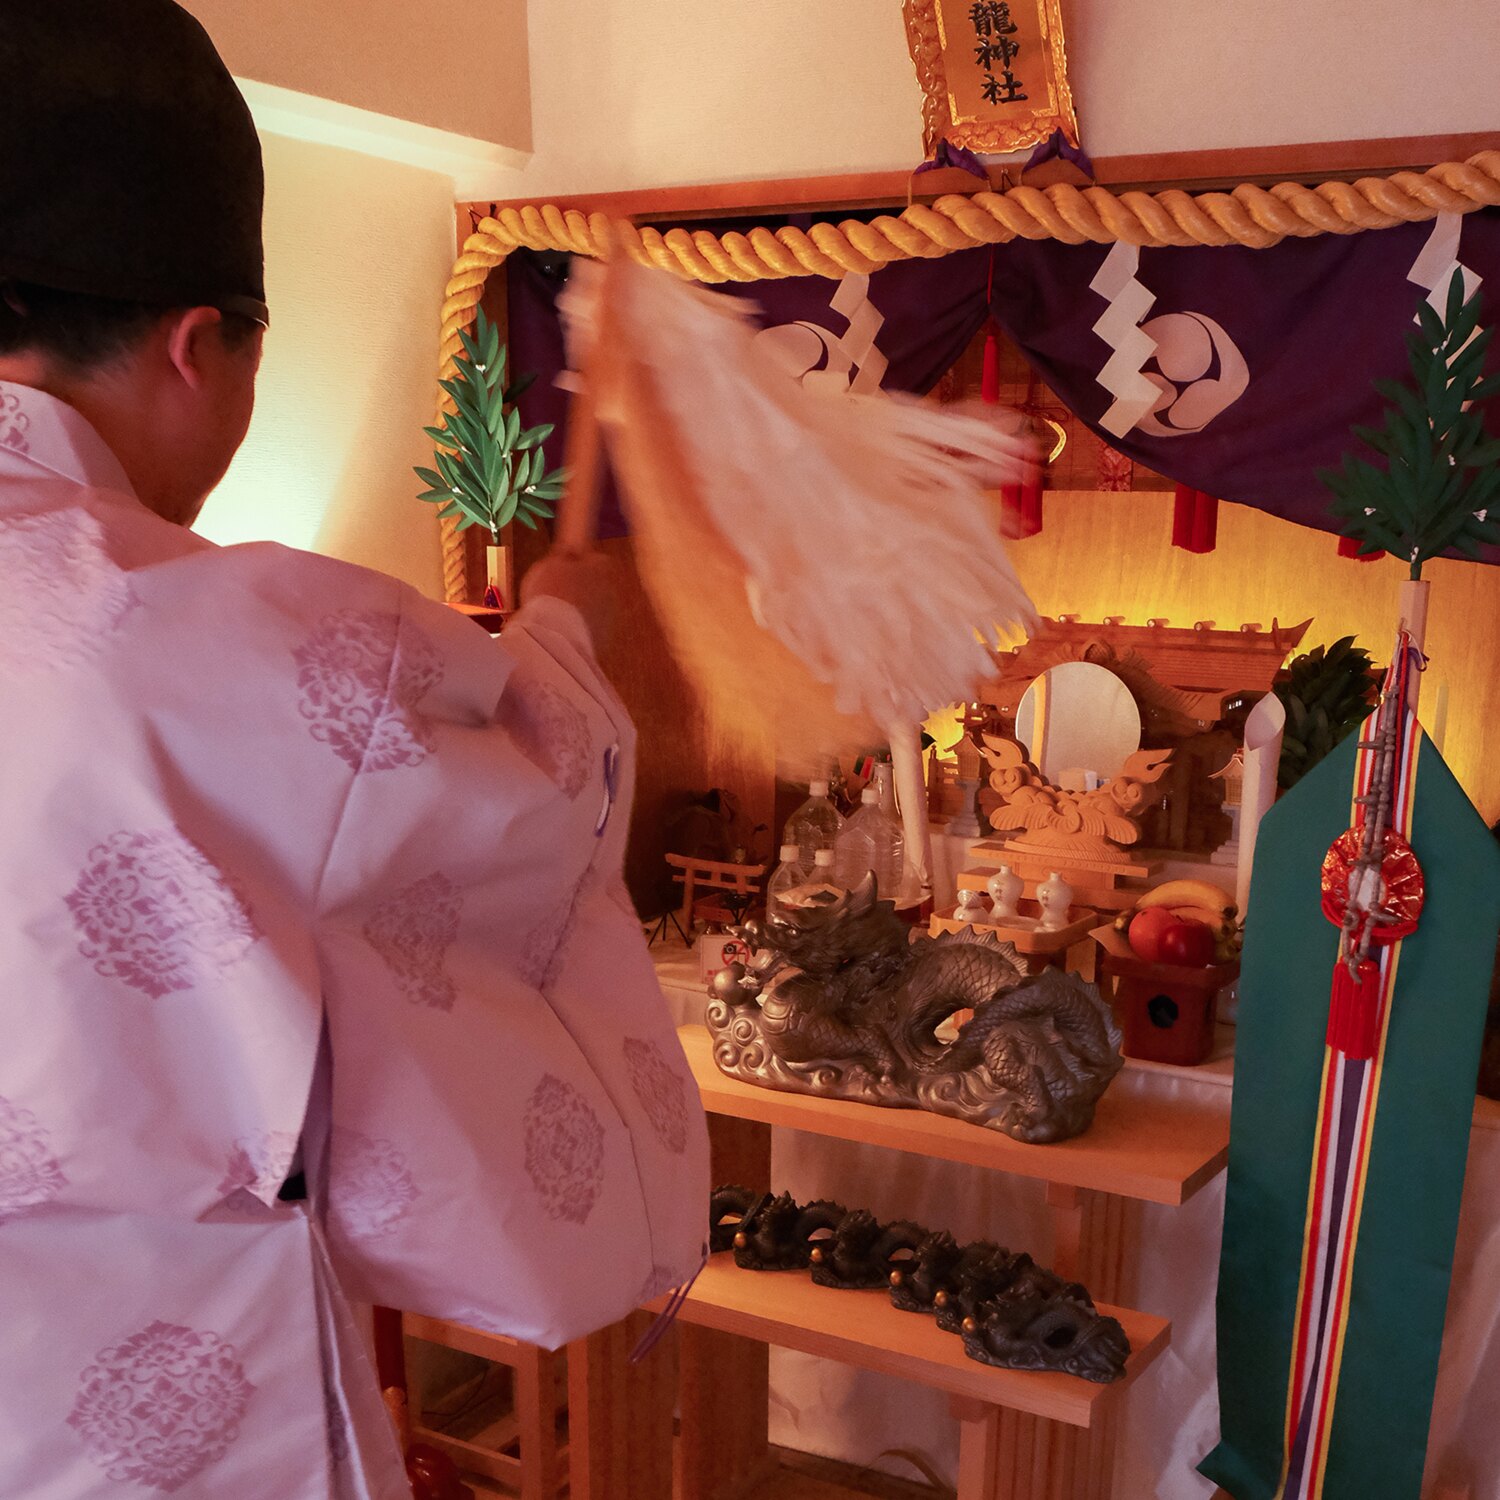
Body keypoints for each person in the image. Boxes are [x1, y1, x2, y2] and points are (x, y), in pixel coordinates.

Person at [0, 4, 707, 1496]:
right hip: (120, 1419)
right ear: (197, 345)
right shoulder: (195, 649)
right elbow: (528, 827)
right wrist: (575, 642)